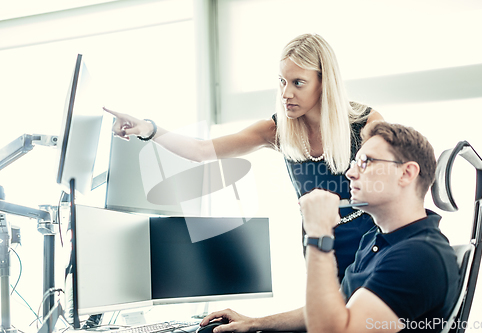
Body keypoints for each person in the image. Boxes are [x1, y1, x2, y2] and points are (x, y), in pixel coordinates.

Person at [104, 33, 384, 281]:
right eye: (282, 82)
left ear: (324, 82)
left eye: (298, 83)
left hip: (370, 242)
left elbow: (394, 188)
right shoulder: (278, 130)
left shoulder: (365, 123)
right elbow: (202, 151)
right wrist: (149, 130)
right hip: (319, 244)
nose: (286, 93)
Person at [199, 122, 460, 333]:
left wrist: (319, 233)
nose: (350, 173)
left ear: (406, 173)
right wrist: (253, 323)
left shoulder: (420, 256)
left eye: (366, 162)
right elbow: (332, 309)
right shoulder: (376, 239)